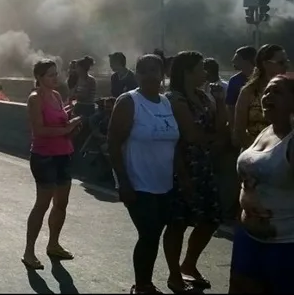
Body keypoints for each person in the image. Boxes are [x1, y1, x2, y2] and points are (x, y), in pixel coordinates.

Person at [108, 54, 180, 294]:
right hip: (138, 184)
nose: (150, 75)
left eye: (154, 70)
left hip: (165, 184)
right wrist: (123, 182)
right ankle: (142, 286)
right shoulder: (129, 102)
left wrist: (184, 178)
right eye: (143, 71)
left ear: (163, 75)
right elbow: (113, 143)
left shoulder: (166, 103)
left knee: (156, 233)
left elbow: (175, 144)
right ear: (136, 75)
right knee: (148, 234)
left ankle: (145, 282)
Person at [162, 51, 229, 294]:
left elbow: (221, 126)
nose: (206, 73)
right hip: (181, 167)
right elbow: (191, 136)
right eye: (201, 68)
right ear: (187, 72)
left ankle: (189, 263)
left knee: (212, 217)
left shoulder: (203, 96)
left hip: (203, 165)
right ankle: (173, 274)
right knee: (178, 223)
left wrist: (220, 101)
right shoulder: (175, 99)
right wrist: (214, 139)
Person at [229, 75, 294, 294]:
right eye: (266, 91)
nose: (267, 95)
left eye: (277, 91)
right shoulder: (267, 131)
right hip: (248, 237)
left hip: (284, 245)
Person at [22, 59, 82, 270]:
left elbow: (61, 123)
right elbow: (39, 130)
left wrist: (71, 123)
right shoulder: (35, 98)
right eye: (50, 75)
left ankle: (53, 244)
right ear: (39, 77)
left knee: (61, 203)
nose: (55, 78)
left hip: (63, 154)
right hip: (44, 157)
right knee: (42, 204)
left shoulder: (56, 96)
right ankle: (29, 251)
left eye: (56, 74)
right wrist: (67, 129)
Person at [233, 44, 288, 150]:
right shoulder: (248, 92)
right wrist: (258, 153)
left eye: (287, 61)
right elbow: (239, 129)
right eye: (281, 62)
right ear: (266, 64)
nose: (286, 66)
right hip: (255, 154)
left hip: (284, 155)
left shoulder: (289, 90)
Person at [226, 46, 256, 122]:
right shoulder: (234, 80)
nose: (233, 61)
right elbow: (231, 107)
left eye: (236, 58)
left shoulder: (263, 78)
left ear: (246, 60)